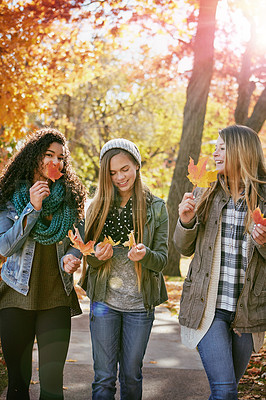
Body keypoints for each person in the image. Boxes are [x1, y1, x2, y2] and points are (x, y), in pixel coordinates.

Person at [174, 125, 266, 400]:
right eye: (215, 147)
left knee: (226, 390)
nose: (215, 153)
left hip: (246, 313)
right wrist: (186, 222)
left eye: (222, 148)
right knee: (225, 391)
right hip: (208, 309)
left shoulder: (263, 198)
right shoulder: (206, 192)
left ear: (241, 151)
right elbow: (183, 247)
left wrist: (263, 243)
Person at [0, 128, 86, 400]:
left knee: (51, 384)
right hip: (15, 297)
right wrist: (33, 208)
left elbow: (77, 239)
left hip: (55, 298)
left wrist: (72, 256)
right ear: (34, 157)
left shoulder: (70, 197)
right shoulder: (10, 197)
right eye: (49, 155)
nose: (56, 162)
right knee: (17, 383)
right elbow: (4, 246)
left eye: (61, 157)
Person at [80, 138, 168, 399]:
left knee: (131, 375)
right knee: (104, 378)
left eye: (125, 169)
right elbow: (89, 258)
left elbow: (162, 260)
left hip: (140, 306)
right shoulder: (96, 207)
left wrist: (145, 255)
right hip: (105, 303)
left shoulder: (156, 208)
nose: (119, 177)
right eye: (112, 172)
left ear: (137, 166)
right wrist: (96, 256)